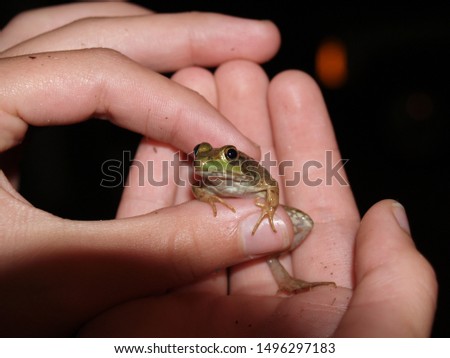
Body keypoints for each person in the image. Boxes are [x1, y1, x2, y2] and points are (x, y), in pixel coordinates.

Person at [0, 2, 437, 337]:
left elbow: (267, 185)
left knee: (299, 224)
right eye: (205, 153)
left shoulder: (246, 169)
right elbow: (196, 181)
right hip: (224, 213)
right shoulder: (206, 172)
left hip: (259, 202)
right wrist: (207, 196)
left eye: (222, 154)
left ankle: (286, 277)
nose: (209, 159)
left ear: (234, 158)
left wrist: (268, 209)